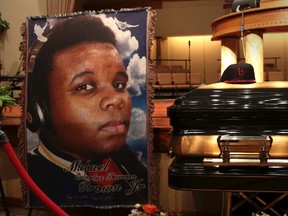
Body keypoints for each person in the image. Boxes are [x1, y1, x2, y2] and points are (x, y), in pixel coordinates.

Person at [26, 15, 148, 207]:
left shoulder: (132, 168)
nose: (115, 99)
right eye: (85, 87)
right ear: (40, 110)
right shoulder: (33, 176)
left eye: (118, 84)